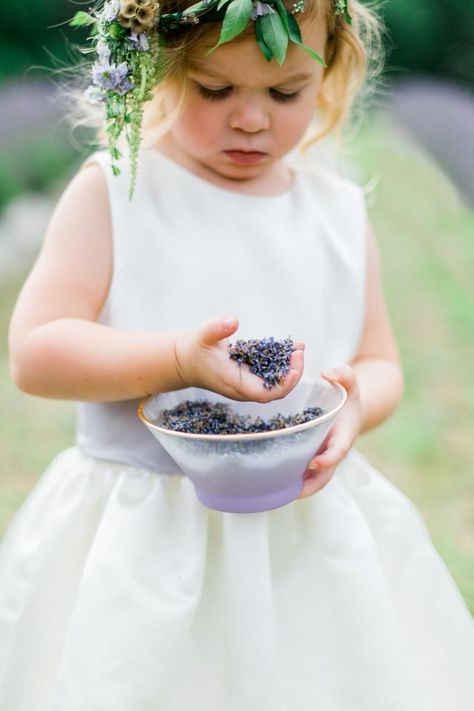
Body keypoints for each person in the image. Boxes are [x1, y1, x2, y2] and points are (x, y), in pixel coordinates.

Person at [1, 0, 473, 709]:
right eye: (214, 88)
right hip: (142, 545)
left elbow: (381, 363)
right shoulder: (118, 191)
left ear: (331, 72)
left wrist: (356, 408)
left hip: (301, 546)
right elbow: (37, 352)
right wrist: (176, 359)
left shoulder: (338, 212)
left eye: (285, 92)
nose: (251, 118)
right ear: (155, 69)